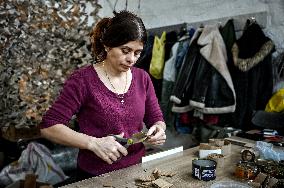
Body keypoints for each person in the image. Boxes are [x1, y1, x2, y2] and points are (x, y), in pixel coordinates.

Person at [39, 10, 166, 181]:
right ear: (107, 45)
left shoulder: (142, 77)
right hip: (95, 177)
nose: (131, 59)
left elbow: (156, 118)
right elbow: (49, 127)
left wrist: (158, 130)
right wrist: (93, 143)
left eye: (137, 53)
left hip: (138, 172)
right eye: (125, 50)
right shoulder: (83, 80)